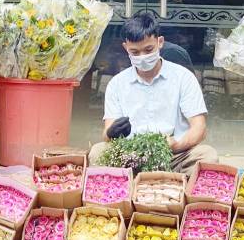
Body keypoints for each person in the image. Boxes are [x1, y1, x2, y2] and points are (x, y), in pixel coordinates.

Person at [88, 12, 218, 175]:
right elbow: (107, 134)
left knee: (207, 155)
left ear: (160, 42)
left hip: (174, 155)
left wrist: (176, 145)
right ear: (125, 48)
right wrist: (111, 133)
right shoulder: (117, 84)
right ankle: (132, 185)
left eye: (148, 49)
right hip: (131, 156)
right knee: (98, 152)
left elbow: (200, 128)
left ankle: (173, 184)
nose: (142, 57)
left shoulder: (183, 77)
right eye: (135, 52)